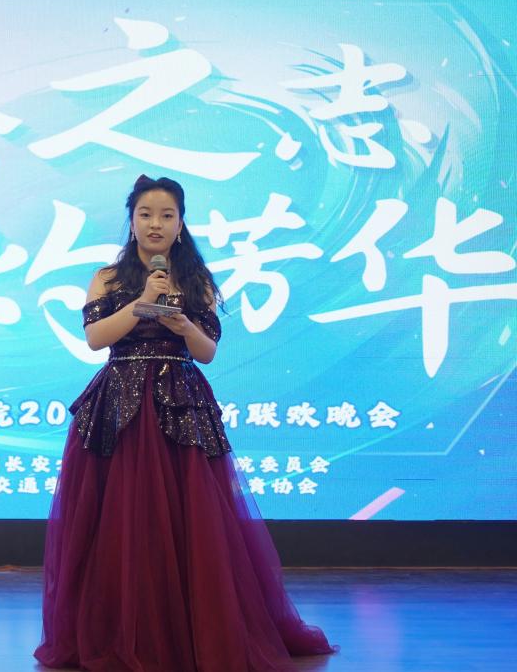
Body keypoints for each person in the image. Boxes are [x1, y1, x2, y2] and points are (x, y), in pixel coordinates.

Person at [34, 175, 336, 672]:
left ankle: (190, 634)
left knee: (189, 524)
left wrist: (183, 324)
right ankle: (122, 632)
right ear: (132, 221)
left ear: (180, 224)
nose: (155, 224)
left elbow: (207, 351)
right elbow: (95, 339)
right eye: (146, 214)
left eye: (167, 215)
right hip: (119, 406)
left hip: (180, 404)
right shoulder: (107, 277)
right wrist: (139, 304)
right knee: (120, 523)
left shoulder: (197, 281)